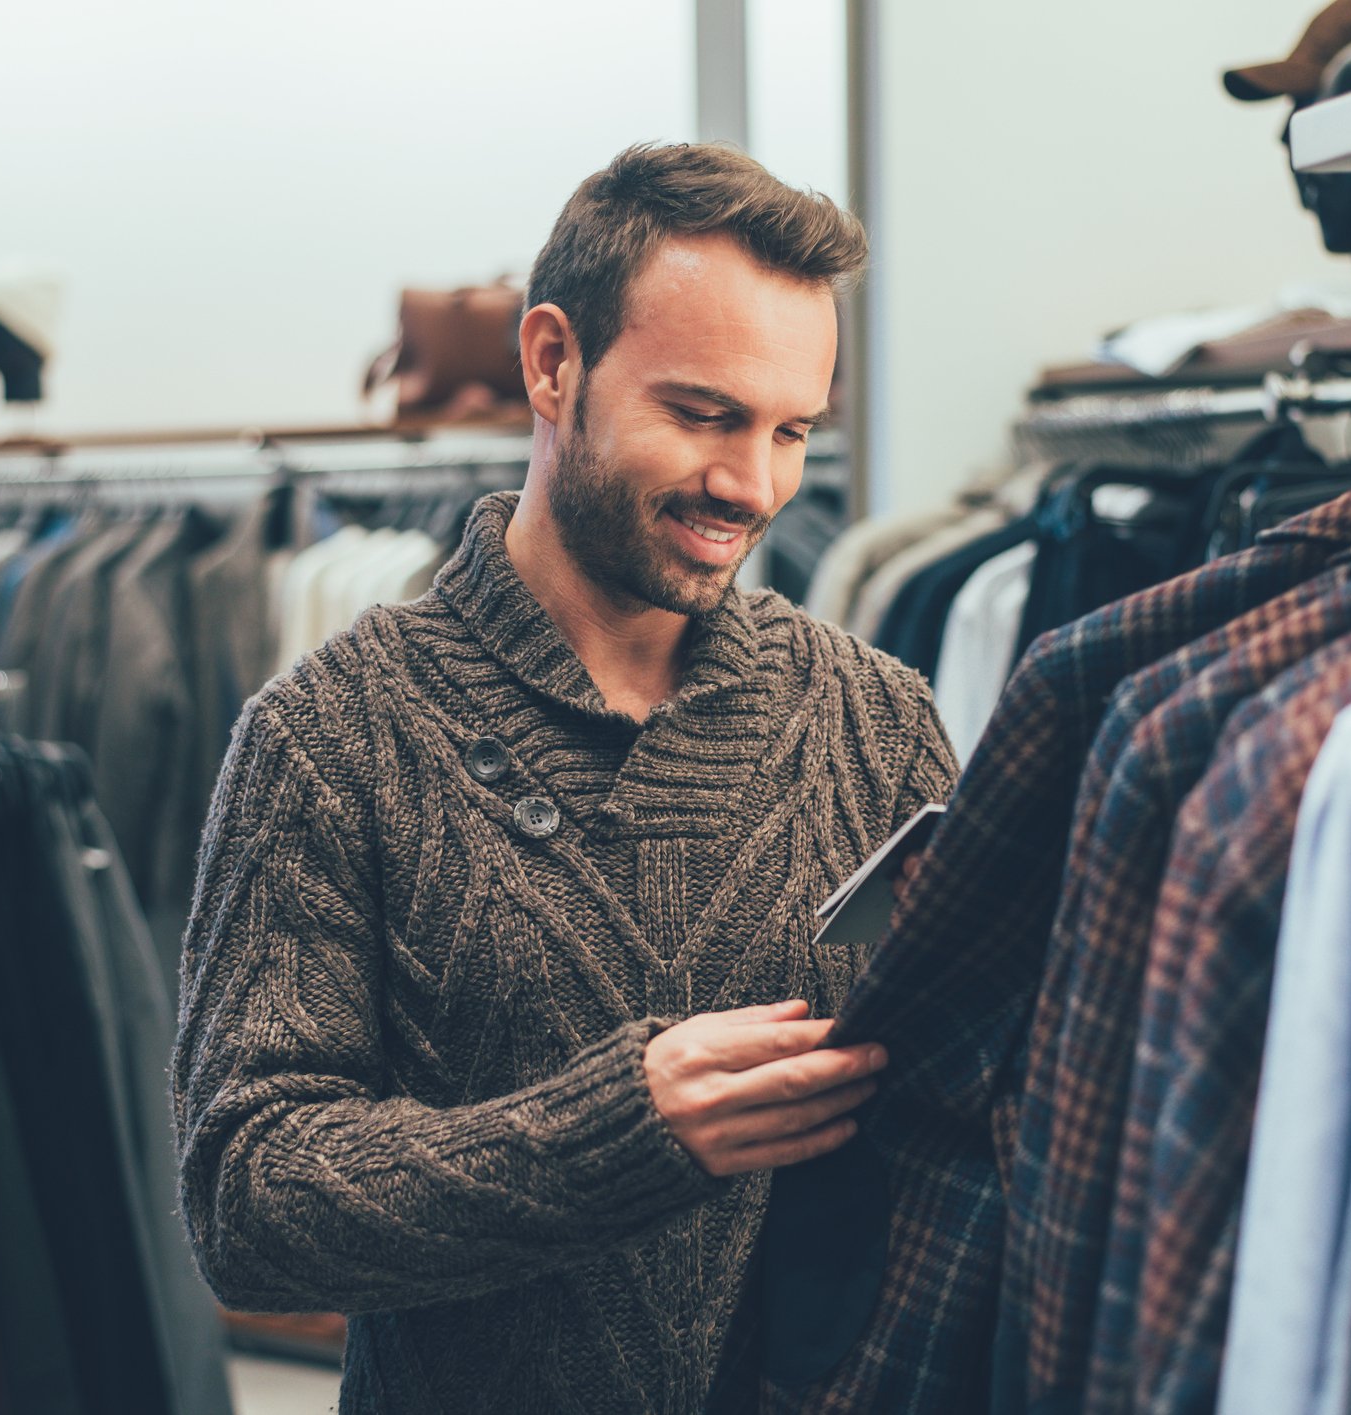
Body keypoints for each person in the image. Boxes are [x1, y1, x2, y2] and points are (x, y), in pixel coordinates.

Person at [174, 141, 959, 1414]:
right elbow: (246, 1198)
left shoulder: (873, 717)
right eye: (702, 415)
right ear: (552, 363)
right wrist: (617, 1135)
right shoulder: (329, 736)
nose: (750, 486)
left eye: (791, 430)